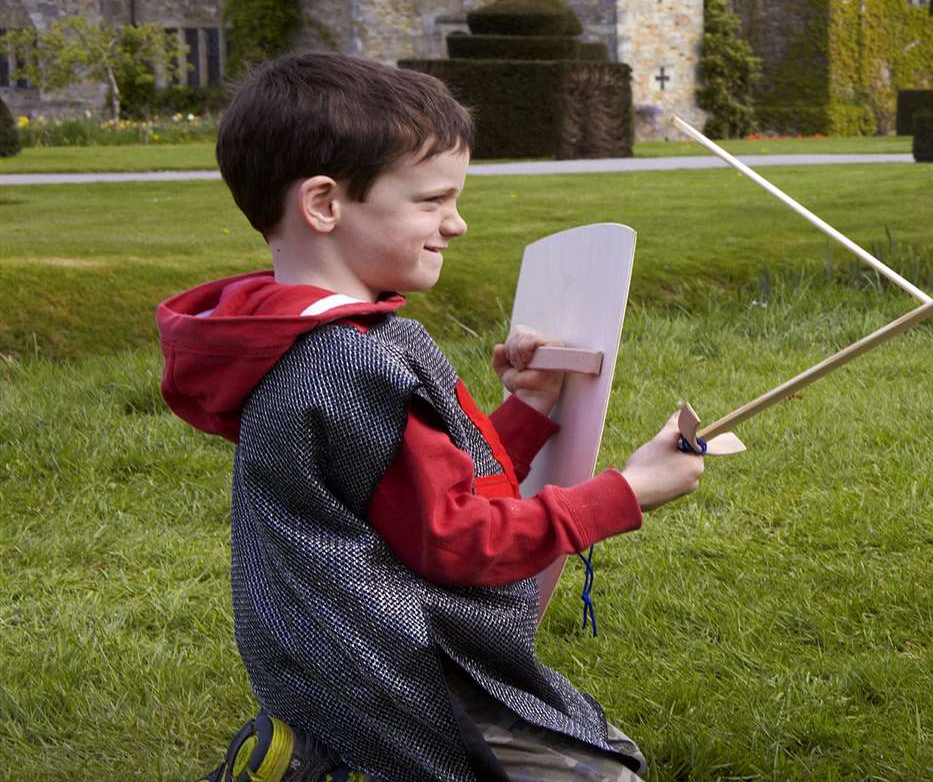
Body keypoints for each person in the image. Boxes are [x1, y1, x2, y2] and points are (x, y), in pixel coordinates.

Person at [157, 53, 705, 781]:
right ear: (323, 205)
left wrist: (530, 409)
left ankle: (312, 750)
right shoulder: (347, 362)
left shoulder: (287, 335)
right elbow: (462, 543)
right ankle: (318, 765)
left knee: (596, 742)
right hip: (384, 666)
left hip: (320, 652)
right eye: (431, 201)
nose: (457, 224)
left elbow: (417, 492)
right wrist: (627, 493)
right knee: (611, 774)